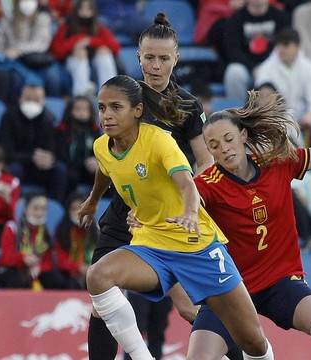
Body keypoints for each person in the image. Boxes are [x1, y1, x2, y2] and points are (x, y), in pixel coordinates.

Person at [176, 74, 311, 360]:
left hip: (280, 282)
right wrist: (145, 217)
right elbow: (184, 204)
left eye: (229, 139)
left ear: (243, 136)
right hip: (229, 288)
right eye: (214, 145)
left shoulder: (277, 163)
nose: (224, 149)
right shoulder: (207, 185)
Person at [78, 74, 273, 360]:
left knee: (252, 341)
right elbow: (106, 170)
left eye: (116, 107)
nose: (106, 115)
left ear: (137, 111)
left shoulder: (159, 142)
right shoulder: (101, 146)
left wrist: (191, 212)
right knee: (98, 275)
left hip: (196, 246)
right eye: (102, 108)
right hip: (151, 244)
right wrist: (93, 200)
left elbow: (186, 183)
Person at [85, 13, 215, 360]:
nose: (155, 66)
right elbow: (108, 158)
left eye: (163, 58)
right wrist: (94, 198)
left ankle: (245, 352)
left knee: (189, 307)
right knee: (100, 298)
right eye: (148, 58)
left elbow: (204, 162)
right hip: (124, 216)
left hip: (167, 219)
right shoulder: (124, 98)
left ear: (176, 58)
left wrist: (191, 206)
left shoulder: (187, 106)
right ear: (138, 57)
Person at [254, 28, 311, 146]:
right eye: (279, 45)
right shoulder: (266, 69)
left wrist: (310, 114)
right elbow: (261, 100)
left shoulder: (308, 67)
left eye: (286, 45)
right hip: (277, 116)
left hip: (302, 115)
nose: (281, 50)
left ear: (297, 47)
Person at [0, 193, 87, 289]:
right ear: (25, 210)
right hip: (11, 269)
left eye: (43, 209)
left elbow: (49, 261)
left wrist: (40, 268)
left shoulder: (46, 233)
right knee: (18, 281)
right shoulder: (13, 228)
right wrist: (23, 258)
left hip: (35, 270)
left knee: (56, 280)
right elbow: (5, 257)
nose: (39, 213)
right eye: (35, 208)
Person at [0, 83, 68, 202]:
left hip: (40, 169)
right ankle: (13, 205)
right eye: (28, 99)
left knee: (59, 170)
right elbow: (6, 151)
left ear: (43, 101)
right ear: (20, 99)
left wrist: (49, 158)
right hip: (19, 165)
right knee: (14, 168)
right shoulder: (8, 118)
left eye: (36, 99)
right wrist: (31, 157)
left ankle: (55, 207)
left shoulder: (49, 119)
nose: (32, 102)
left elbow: (55, 149)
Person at [0, 0, 69, 97]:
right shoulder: (6, 21)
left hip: (37, 60)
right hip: (15, 62)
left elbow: (41, 44)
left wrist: (19, 50)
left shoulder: (43, 18)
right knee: (16, 79)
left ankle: (53, 105)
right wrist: (3, 55)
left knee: (53, 77)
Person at [220, 0, 290, 102]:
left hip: (273, 66)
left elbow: (284, 45)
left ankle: (283, 113)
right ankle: (236, 114)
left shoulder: (280, 17)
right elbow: (233, 50)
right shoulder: (236, 19)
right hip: (247, 68)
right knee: (233, 72)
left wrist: (266, 67)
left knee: (287, 69)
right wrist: (253, 68)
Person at [49, 0, 120, 96]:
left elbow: (115, 47)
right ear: (76, 10)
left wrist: (90, 41)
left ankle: (110, 89)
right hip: (69, 63)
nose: (85, 12)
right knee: (80, 52)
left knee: (104, 50)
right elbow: (55, 52)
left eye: (88, 9)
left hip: (93, 63)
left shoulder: (98, 27)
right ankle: (80, 92)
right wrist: (76, 42)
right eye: (82, 9)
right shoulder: (66, 27)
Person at [55, 95, 102, 195]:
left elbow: (100, 151)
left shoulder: (95, 130)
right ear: (70, 111)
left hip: (89, 169)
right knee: (69, 175)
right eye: (78, 109)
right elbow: (61, 154)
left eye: (85, 109)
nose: (82, 112)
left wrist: (96, 161)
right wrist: (83, 163)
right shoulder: (62, 129)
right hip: (71, 169)